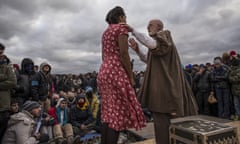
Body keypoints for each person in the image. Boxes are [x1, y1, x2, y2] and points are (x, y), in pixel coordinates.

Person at [127, 19, 198, 144]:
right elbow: (148, 59)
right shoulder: (157, 43)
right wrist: (137, 50)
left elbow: (151, 44)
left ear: (159, 27)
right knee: (162, 123)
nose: (147, 27)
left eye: (151, 25)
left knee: (169, 124)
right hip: (163, 90)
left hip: (166, 90)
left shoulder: (165, 36)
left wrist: (133, 30)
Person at [97, 6, 146, 144]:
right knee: (117, 116)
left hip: (104, 70)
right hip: (116, 70)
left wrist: (108, 67)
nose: (126, 19)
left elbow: (103, 55)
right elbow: (124, 54)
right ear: (120, 17)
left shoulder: (105, 32)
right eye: (125, 16)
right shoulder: (121, 28)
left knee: (108, 114)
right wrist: (130, 76)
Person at [0, 43, 17, 142]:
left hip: (4, 104)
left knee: (2, 130)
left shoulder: (7, 66)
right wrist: (4, 77)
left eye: (1, 50)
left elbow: (12, 82)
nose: (0, 52)